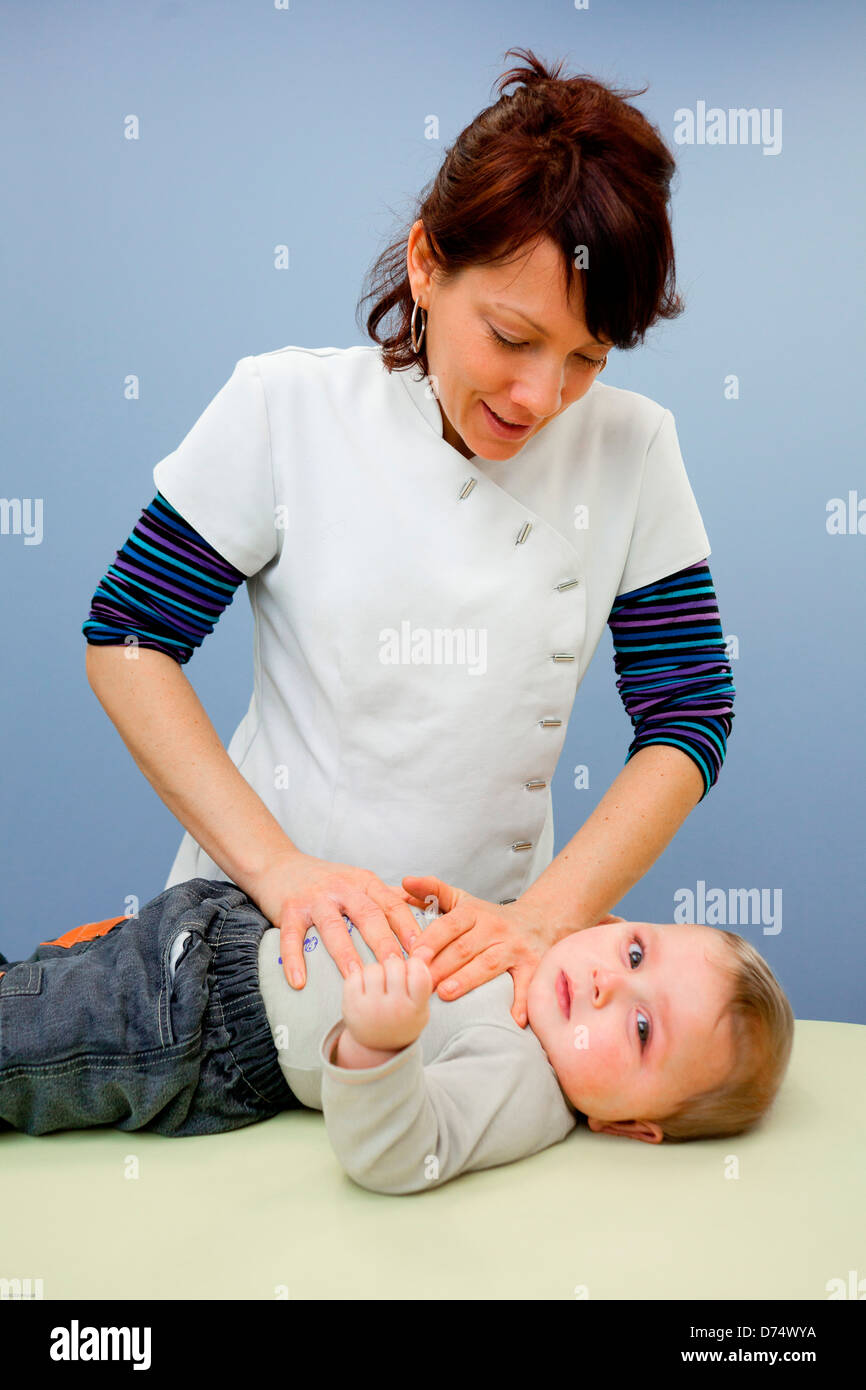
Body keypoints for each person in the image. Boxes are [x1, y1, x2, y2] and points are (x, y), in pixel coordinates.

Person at [81, 48, 736, 1031]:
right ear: (427, 264)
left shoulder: (634, 452)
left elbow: (688, 712)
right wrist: (281, 871)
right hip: (256, 949)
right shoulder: (286, 408)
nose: (541, 397)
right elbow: (129, 637)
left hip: (473, 985)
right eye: (512, 338)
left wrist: (542, 921)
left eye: (584, 359)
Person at [0, 876, 794, 1195]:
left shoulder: (527, 1084)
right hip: (225, 921)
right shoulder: (528, 943)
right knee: (30, 988)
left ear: (628, 1123)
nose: (606, 983)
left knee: (19, 1040)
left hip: (192, 1028)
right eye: (633, 952)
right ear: (618, 921)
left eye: (643, 1027)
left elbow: (403, 1153)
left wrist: (379, 1045)